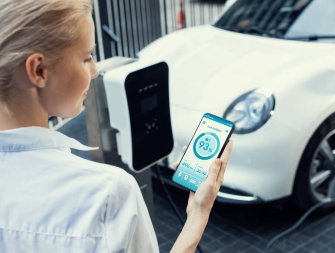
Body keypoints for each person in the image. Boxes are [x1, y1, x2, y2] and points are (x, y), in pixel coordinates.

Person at [0, 0, 233, 252]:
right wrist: (199, 213)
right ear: (39, 70)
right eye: (87, 57)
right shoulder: (108, 194)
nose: (95, 71)